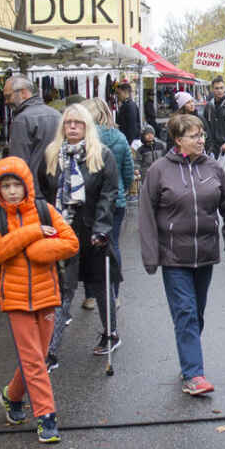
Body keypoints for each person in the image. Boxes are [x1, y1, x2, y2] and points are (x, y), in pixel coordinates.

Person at [139, 114, 225, 395]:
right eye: (194, 136)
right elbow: (146, 214)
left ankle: (188, 358)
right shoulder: (159, 170)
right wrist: (151, 255)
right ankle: (194, 374)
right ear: (178, 140)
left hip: (205, 252)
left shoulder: (213, 168)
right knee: (185, 313)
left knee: (196, 314)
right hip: (173, 255)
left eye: (202, 135)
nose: (201, 140)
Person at [0, 156, 79, 443]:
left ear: (26, 185)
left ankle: (12, 396)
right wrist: (32, 233)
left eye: (17, 185)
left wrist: (40, 251)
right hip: (15, 300)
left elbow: (71, 242)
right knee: (34, 359)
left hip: (47, 296)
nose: (12, 191)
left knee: (38, 356)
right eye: (6, 186)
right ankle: (46, 417)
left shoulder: (45, 210)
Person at [38, 104, 120, 370]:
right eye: (68, 122)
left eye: (78, 123)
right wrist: (46, 223)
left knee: (100, 285)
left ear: (87, 127)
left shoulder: (102, 155)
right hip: (62, 232)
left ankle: (110, 333)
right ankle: (50, 350)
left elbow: (108, 194)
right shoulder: (51, 155)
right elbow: (43, 192)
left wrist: (102, 228)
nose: (72, 127)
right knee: (63, 289)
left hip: (92, 230)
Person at [80, 98, 135, 309]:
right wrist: (121, 189)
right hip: (115, 201)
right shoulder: (120, 138)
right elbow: (128, 171)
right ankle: (114, 294)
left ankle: (91, 296)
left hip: (88, 200)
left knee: (88, 247)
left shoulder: (83, 139)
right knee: (112, 246)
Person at [5, 75, 61, 188]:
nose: (6, 101)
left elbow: (18, 162)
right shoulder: (57, 115)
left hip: (33, 189)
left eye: (8, 96)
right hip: (57, 185)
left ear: (23, 93)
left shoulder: (22, 120)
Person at [202, 76, 225, 196]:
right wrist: (208, 145)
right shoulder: (209, 106)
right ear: (212, 89)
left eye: (221, 88)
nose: (219, 90)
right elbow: (205, 126)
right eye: (216, 88)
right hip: (213, 147)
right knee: (214, 179)